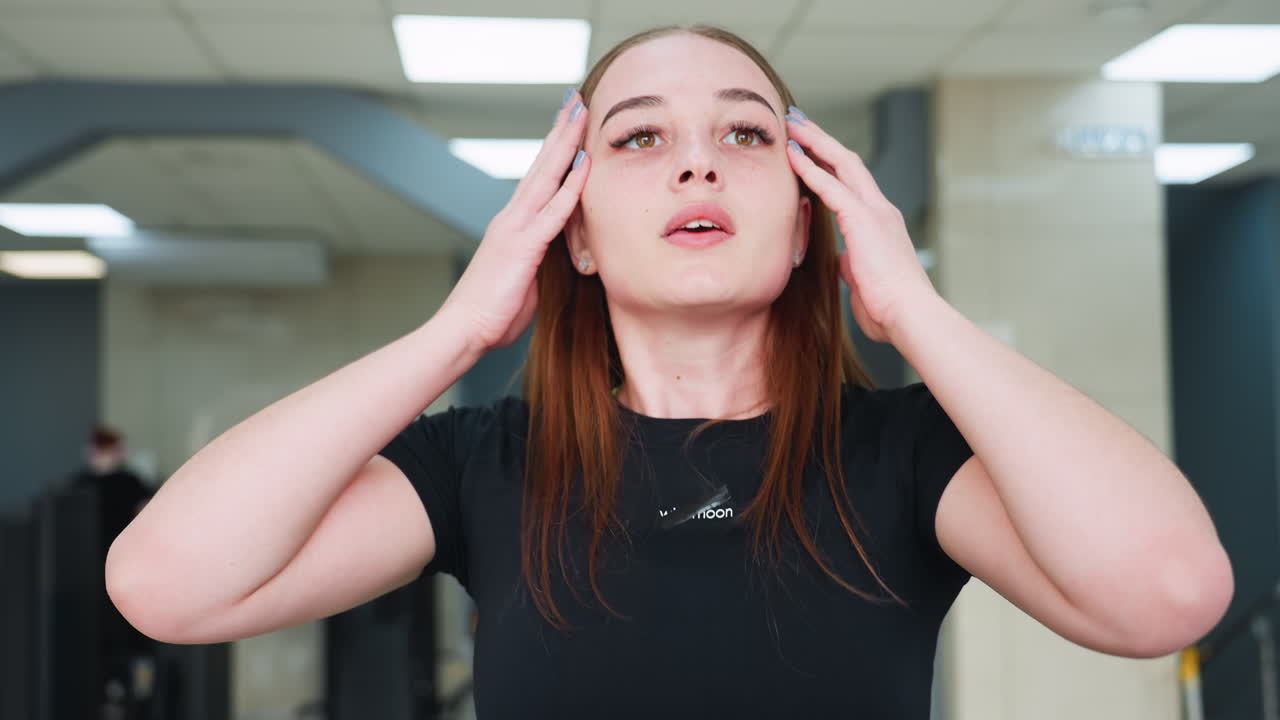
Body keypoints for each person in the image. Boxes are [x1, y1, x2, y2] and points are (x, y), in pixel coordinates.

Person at [104, 24, 1233, 719]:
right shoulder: (483, 466)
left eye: (745, 136)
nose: (697, 157)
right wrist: (455, 331)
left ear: (802, 226)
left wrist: (916, 311)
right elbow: (166, 586)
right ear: (575, 233)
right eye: (639, 138)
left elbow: (1166, 598)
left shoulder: (905, 454)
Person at [70, 424, 156, 719]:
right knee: (115, 643)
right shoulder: (86, 485)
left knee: (121, 643)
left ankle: (124, 696)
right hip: (105, 578)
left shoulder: (124, 483)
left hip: (108, 575)